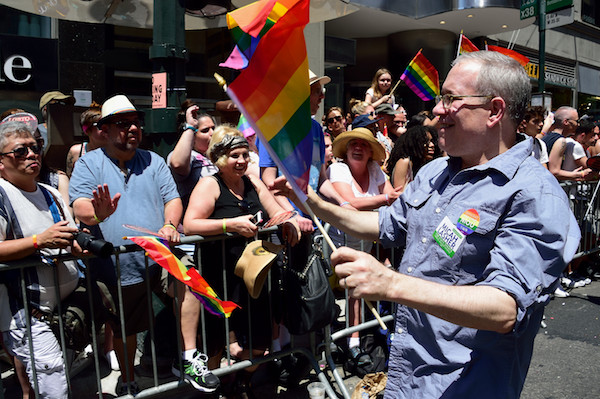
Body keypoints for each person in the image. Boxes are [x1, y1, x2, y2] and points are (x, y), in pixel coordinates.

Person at [271, 51, 580, 398]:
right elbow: (384, 224)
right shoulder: (435, 172)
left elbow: (504, 307)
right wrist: (310, 202)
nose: (436, 110)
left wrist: (390, 284)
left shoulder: (535, 194)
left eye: (451, 99)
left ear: (494, 111)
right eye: (439, 98)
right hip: (406, 376)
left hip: (466, 386)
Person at [69, 95, 217, 395]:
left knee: (189, 281)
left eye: (136, 122)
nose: (133, 128)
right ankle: (128, 380)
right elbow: (80, 206)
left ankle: (189, 357)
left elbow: (172, 199)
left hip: (158, 253)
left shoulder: (154, 160)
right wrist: (99, 213)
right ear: (105, 130)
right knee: (126, 328)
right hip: (115, 266)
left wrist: (169, 225)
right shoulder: (87, 163)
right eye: (124, 123)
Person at [183, 127, 300, 396]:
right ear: (220, 158)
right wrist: (229, 224)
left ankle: (240, 380)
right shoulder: (210, 184)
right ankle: (211, 389)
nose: (242, 161)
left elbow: (276, 211)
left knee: (259, 344)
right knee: (215, 344)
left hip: (255, 275)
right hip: (218, 274)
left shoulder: (252, 181)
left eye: (245, 155)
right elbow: (189, 224)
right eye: (234, 155)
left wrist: (290, 220)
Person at [0, 120, 83, 399]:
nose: (32, 154)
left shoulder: (52, 193)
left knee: (53, 377)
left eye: (34, 148)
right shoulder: (2, 195)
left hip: (63, 306)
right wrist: (38, 242)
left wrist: (87, 234)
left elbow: (68, 238)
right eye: (20, 151)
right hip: (25, 309)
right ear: (1, 162)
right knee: (54, 385)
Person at [327, 127, 401, 364]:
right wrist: (384, 199)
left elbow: (393, 196)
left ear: (371, 152)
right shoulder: (337, 169)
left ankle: (355, 341)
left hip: (364, 241)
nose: (358, 148)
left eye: (364, 145)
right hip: (336, 242)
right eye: (353, 144)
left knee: (358, 290)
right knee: (342, 290)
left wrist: (389, 197)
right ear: (346, 150)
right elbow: (351, 204)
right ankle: (340, 342)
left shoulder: (374, 169)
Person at [386, 125, 438, 191]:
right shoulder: (404, 162)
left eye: (432, 141)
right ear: (415, 144)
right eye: (426, 142)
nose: (432, 145)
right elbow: (399, 193)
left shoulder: (426, 164)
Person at [66, 105, 106, 178]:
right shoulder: (76, 151)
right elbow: (69, 178)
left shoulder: (114, 151)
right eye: (100, 126)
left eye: (107, 125)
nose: (105, 129)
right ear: (87, 130)